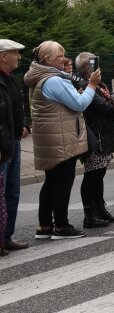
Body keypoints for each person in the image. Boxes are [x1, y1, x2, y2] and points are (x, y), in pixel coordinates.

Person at [24, 41, 101, 239]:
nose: (65, 59)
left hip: (50, 138)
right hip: (61, 140)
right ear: (48, 60)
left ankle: (44, 226)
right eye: (60, 55)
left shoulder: (41, 78)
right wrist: (92, 85)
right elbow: (79, 104)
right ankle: (61, 225)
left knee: (51, 182)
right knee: (62, 183)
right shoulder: (54, 80)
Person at [74, 52, 114, 228]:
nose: (99, 69)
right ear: (89, 69)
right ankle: (89, 214)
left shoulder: (97, 84)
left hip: (103, 133)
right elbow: (104, 107)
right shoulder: (85, 84)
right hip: (95, 135)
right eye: (95, 66)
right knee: (92, 175)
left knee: (99, 173)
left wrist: (113, 99)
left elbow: (113, 101)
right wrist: (113, 99)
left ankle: (100, 208)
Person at [0, 39, 30, 254]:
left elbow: (16, 106)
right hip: (3, 145)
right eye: (14, 53)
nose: (18, 57)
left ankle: (6, 236)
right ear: (3, 56)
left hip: (14, 142)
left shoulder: (9, 79)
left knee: (12, 192)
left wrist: (24, 124)